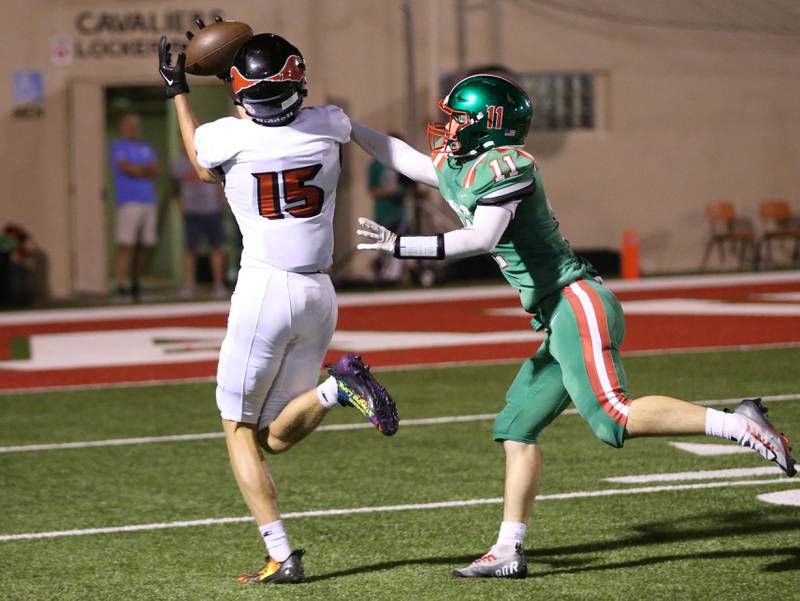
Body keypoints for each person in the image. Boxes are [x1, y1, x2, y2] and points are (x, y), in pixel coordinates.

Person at [351, 73, 797, 579]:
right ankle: (507, 549)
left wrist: (401, 246)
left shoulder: (507, 165)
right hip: (554, 313)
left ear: (488, 124)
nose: (448, 127)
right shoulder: (466, 165)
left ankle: (740, 424)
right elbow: (403, 158)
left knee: (615, 416)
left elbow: (481, 237)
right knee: (516, 427)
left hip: (574, 302)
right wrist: (346, 127)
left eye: (459, 118)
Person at [158, 28, 399, 585]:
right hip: (319, 291)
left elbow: (200, 161)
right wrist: (239, 76)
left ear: (240, 95)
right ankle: (334, 388)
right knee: (274, 437)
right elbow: (274, 114)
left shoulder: (227, 136)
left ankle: (282, 554)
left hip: (265, 288)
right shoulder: (329, 124)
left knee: (238, 430)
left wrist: (178, 91)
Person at [109, 112, 160, 300]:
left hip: (148, 201)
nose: (133, 129)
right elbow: (126, 167)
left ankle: (137, 283)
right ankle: (120, 284)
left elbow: (156, 169)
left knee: (145, 245)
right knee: (126, 244)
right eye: (129, 125)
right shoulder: (118, 147)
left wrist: (140, 170)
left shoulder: (145, 148)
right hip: (129, 201)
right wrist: (142, 170)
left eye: (136, 125)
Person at [171, 153, 228, 297]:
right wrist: (180, 205)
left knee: (217, 247)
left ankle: (218, 284)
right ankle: (189, 286)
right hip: (192, 211)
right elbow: (174, 187)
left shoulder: (211, 158)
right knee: (190, 248)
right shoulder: (178, 164)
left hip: (212, 209)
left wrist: (222, 202)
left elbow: (221, 181)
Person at [367, 136, 412, 283]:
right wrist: (388, 192)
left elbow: (409, 185)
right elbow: (372, 190)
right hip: (383, 213)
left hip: (400, 213)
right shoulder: (375, 165)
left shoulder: (401, 163)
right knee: (386, 247)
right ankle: (385, 276)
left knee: (400, 245)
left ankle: (395, 276)